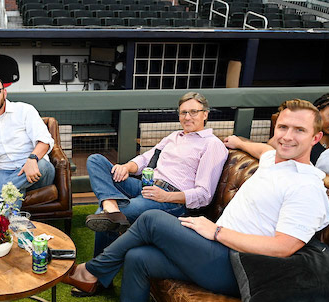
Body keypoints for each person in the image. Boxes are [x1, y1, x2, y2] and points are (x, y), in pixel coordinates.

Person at [62, 99, 329, 302]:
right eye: (282, 127)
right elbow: (265, 149)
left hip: (240, 266)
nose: (287, 136)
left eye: (299, 130)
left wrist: (217, 232)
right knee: (138, 258)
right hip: (216, 250)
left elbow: (284, 247)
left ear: (316, 137)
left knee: (152, 219)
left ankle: (92, 271)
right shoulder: (274, 159)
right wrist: (239, 142)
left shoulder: (307, 187)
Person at [84, 92, 228, 259]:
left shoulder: (212, 145)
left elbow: (204, 195)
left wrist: (166, 196)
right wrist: (127, 167)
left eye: (193, 112)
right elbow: (146, 158)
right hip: (147, 185)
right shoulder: (174, 136)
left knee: (103, 215)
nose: (187, 117)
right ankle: (111, 205)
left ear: (205, 114)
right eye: (183, 112)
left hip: (169, 200)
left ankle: (97, 275)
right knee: (96, 161)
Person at [0, 75, 55, 207]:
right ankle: (15, 224)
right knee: (11, 195)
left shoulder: (24, 111)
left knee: (43, 165)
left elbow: (45, 141)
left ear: (4, 92)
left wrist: (32, 159)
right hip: (4, 172)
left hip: (35, 168)